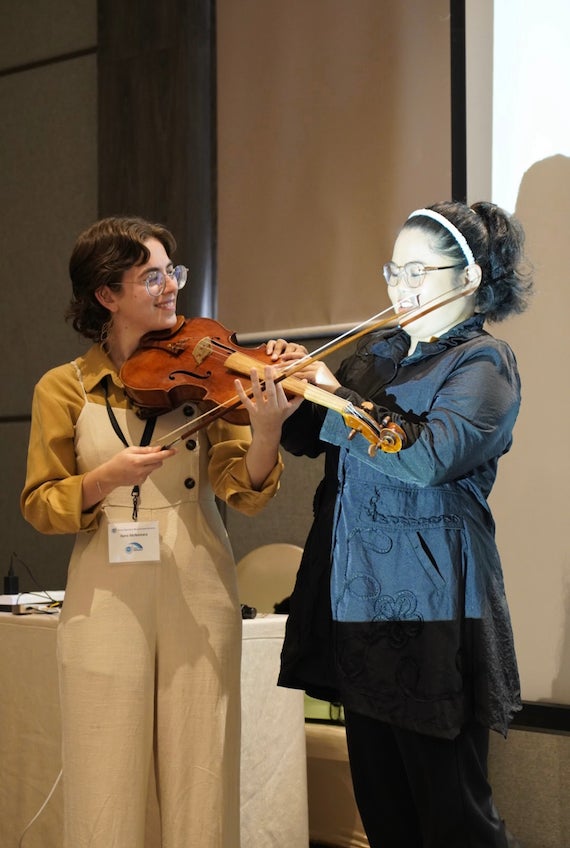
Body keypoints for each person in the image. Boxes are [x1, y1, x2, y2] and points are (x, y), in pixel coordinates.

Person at [20, 215, 302, 848]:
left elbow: (244, 491)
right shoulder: (62, 388)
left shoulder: (210, 374)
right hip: (103, 592)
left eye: (173, 272)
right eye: (152, 276)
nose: (171, 287)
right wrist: (105, 479)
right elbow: (41, 503)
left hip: (198, 584)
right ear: (106, 295)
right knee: (102, 769)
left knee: (202, 772)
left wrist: (266, 431)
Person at [272, 201, 533, 848]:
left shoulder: (482, 362)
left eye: (420, 270)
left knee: (455, 821)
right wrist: (285, 392)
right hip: (357, 604)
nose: (401, 287)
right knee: (385, 817)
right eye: (395, 270)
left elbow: (429, 455)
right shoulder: (380, 350)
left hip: (432, 607)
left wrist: (335, 393)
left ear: (468, 278)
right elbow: (314, 437)